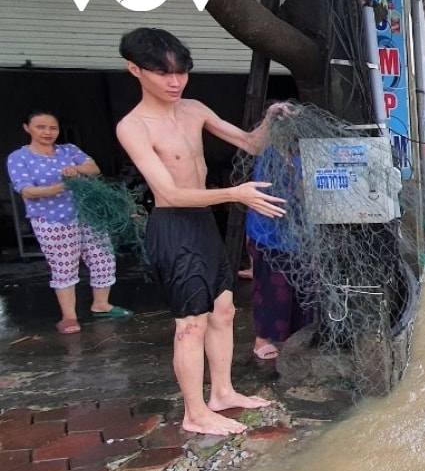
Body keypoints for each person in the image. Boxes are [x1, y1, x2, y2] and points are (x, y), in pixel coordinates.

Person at [115, 27, 288, 436]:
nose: (175, 82)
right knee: (190, 323)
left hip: (202, 224)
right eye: (163, 73)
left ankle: (222, 392)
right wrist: (235, 193)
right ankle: (194, 413)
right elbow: (170, 193)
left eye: (181, 73)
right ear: (134, 70)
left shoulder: (194, 109)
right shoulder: (133, 126)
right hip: (173, 227)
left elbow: (250, 144)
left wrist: (271, 118)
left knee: (223, 312)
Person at [7, 111, 133, 334]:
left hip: (86, 214)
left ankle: (101, 305)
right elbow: (26, 190)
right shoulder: (19, 157)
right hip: (52, 219)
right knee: (64, 264)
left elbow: (94, 169)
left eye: (52, 128)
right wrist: (58, 187)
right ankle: (69, 317)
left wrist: (77, 169)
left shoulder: (69, 150)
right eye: (40, 127)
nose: (47, 132)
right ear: (27, 128)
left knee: (102, 257)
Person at [246, 141, 312, 361]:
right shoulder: (268, 156)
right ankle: (262, 340)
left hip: (301, 236)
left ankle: (297, 338)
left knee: (303, 289)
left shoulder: (306, 156)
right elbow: (273, 192)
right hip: (269, 235)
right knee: (270, 290)